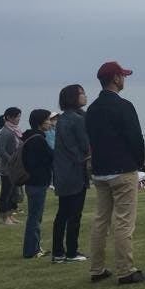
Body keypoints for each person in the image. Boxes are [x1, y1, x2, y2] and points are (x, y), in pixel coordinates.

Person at [85, 61, 145, 285]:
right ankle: (125, 270)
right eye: (122, 76)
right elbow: (135, 138)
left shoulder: (92, 109)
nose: (124, 79)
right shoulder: (123, 106)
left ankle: (97, 268)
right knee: (124, 221)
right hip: (123, 169)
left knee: (101, 220)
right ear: (115, 78)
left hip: (100, 170)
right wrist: (139, 164)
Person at [52, 86, 89, 262]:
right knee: (74, 215)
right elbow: (84, 146)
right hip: (74, 173)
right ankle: (72, 252)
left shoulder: (62, 119)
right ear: (73, 97)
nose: (85, 96)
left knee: (62, 214)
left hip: (62, 173)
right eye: (81, 93)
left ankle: (58, 252)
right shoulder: (76, 119)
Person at [22, 109, 54, 258]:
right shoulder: (38, 139)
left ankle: (35, 247)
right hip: (37, 182)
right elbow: (48, 157)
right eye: (47, 120)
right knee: (35, 217)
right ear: (40, 122)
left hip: (31, 182)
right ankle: (31, 250)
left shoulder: (29, 137)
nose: (50, 123)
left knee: (35, 216)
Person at [0, 107, 22, 225]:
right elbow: (0, 150)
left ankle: (10, 215)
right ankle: (4, 217)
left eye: (19, 116)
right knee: (6, 193)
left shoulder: (15, 130)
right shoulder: (5, 132)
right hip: (7, 168)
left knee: (12, 193)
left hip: (15, 168)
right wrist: (11, 160)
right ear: (9, 118)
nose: (19, 119)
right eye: (17, 117)